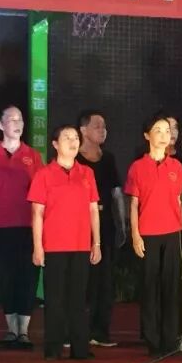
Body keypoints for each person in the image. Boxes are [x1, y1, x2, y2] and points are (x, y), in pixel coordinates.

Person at [28, 124, 102, 360]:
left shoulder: (87, 173)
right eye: (67, 137)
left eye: (75, 138)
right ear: (55, 144)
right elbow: (37, 213)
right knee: (55, 299)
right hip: (54, 245)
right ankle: (53, 348)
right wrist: (38, 246)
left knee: (78, 298)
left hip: (81, 245)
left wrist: (96, 243)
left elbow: (93, 210)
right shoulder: (44, 174)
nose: (73, 141)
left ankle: (80, 348)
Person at [125, 114, 182, 355]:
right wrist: (135, 235)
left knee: (171, 286)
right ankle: (152, 339)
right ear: (147, 135)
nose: (164, 135)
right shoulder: (137, 167)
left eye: (167, 131)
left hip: (173, 232)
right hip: (148, 234)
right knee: (150, 286)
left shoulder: (176, 166)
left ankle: (170, 338)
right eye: (158, 130)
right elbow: (133, 204)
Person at [0, 105, 43, 349]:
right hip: (1, 227)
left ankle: (24, 331)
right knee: (6, 277)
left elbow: (40, 195)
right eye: (12, 119)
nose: (17, 124)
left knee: (27, 276)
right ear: (0, 125)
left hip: (28, 226)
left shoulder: (33, 156)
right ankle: (11, 329)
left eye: (20, 120)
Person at [77, 110, 126, 348]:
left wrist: (122, 223)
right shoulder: (75, 159)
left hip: (105, 224)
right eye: (97, 126)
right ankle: (78, 331)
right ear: (83, 130)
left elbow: (117, 193)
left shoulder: (109, 159)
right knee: (82, 279)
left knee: (104, 280)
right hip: (79, 225)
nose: (103, 130)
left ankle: (100, 331)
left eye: (104, 126)